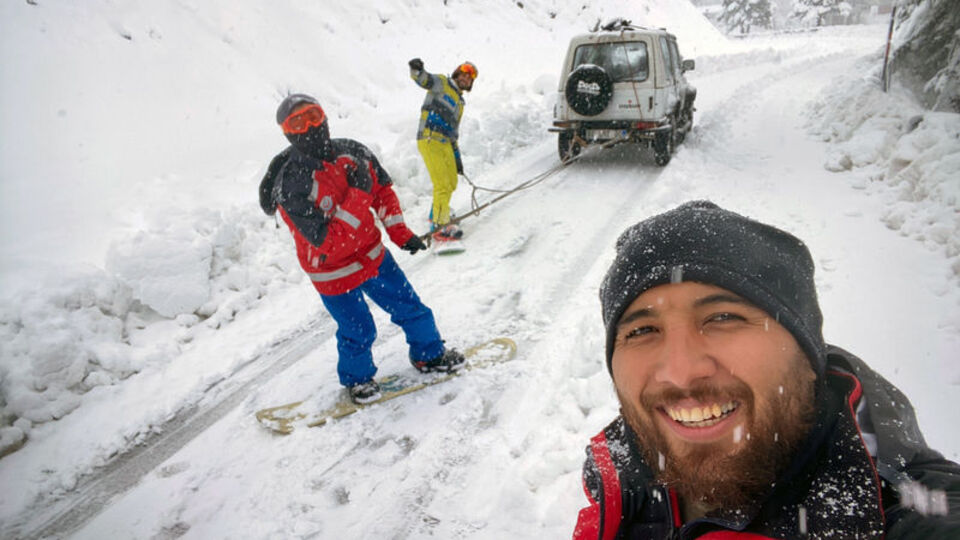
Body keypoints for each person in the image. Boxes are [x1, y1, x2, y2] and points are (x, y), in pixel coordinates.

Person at [573, 200, 960, 539]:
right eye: (642, 330)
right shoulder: (620, 479)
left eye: (723, 317)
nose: (680, 372)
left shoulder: (906, 512)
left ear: (807, 354)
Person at [259, 93, 465, 404]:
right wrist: (357, 194)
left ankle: (429, 355)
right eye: (298, 122)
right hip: (331, 270)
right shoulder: (291, 185)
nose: (311, 126)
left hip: (372, 255)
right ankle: (357, 380)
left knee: (411, 307)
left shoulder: (353, 152)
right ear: (287, 132)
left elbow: (382, 192)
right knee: (358, 329)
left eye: (314, 115)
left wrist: (399, 233)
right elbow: (330, 241)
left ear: (325, 116)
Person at [408, 57, 477, 244]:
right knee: (441, 184)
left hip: (446, 143)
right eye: (464, 74)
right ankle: (439, 226)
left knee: (452, 182)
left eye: (470, 78)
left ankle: (438, 211)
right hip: (430, 138)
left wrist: (457, 158)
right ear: (457, 73)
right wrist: (417, 70)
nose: (466, 78)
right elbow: (424, 80)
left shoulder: (460, 103)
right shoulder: (442, 83)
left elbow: (454, 132)